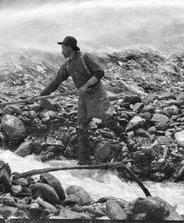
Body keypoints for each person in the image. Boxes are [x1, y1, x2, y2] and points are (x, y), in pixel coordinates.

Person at [38, 36, 122, 165]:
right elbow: (56, 81)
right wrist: (43, 94)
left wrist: (86, 85)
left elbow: (99, 73)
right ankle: (84, 159)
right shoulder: (67, 65)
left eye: (63, 48)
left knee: (107, 118)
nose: (61, 51)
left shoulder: (85, 57)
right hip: (83, 97)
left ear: (69, 47)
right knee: (82, 125)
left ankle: (129, 142)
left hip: (96, 92)